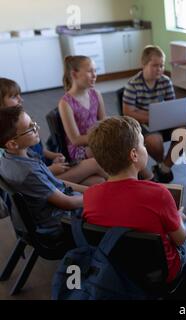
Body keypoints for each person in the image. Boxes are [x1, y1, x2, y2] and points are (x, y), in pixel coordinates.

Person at [84, 116, 186, 283]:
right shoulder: (159, 193)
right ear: (134, 155)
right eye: (142, 144)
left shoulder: (90, 196)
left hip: (113, 273)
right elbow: (181, 239)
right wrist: (178, 217)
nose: (145, 148)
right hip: (159, 274)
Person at [0, 77, 106, 186]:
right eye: (13, 96)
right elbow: (29, 172)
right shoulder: (13, 133)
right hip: (44, 177)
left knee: (98, 181)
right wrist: (51, 169)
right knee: (95, 164)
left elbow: (37, 151)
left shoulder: (22, 127)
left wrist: (53, 155)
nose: (21, 99)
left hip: (47, 170)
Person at [0, 106, 84, 235]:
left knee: (97, 181)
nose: (37, 128)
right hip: (57, 222)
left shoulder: (9, 157)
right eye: (30, 128)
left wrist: (91, 191)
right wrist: (96, 196)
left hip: (44, 211)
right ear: (12, 144)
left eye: (33, 122)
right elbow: (67, 203)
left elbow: (55, 182)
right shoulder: (28, 172)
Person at [123, 45, 184, 183]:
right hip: (143, 123)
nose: (159, 69)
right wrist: (152, 116)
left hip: (161, 119)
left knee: (183, 133)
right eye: (155, 65)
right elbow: (128, 112)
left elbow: (171, 106)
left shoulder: (166, 81)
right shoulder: (133, 84)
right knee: (155, 141)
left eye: (162, 65)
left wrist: (144, 112)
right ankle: (163, 163)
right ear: (143, 64)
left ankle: (164, 167)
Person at [58, 55, 107, 162]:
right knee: (109, 151)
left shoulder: (96, 94)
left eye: (95, 71)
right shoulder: (65, 103)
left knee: (124, 143)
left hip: (98, 140)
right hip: (79, 149)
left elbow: (104, 122)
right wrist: (102, 138)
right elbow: (75, 140)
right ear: (74, 74)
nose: (94, 75)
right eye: (90, 71)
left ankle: (146, 177)